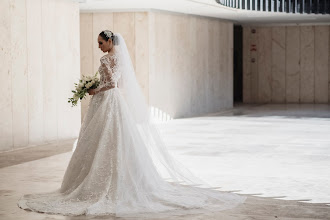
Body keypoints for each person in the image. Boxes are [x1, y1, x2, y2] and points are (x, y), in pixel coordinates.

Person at [17, 30, 246, 217]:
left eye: (100, 43)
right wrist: (99, 85)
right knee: (115, 138)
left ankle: (97, 183)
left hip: (106, 99)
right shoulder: (121, 60)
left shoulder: (106, 59)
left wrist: (94, 89)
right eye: (98, 44)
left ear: (109, 41)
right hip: (116, 102)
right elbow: (121, 83)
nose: (99, 47)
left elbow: (110, 85)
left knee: (102, 137)